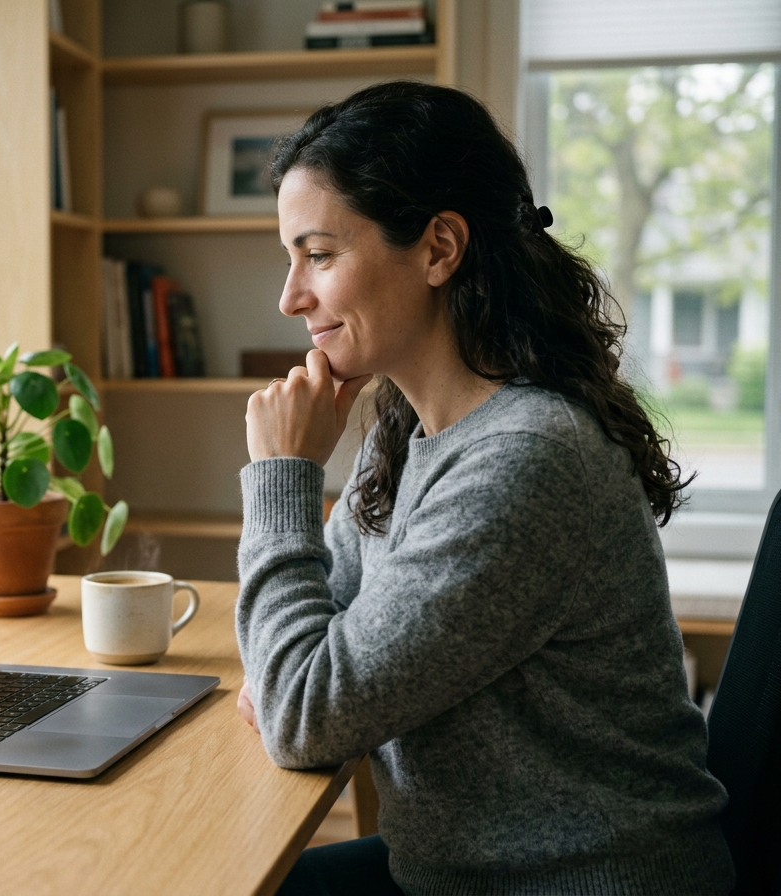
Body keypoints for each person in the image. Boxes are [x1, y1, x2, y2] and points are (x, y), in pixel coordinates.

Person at [235, 81, 734, 896]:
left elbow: (300, 710)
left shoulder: (527, 460)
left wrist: (282, 479)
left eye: (319, 255)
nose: (290, 297)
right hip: (460, 868)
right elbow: (303, 651)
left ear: (438, 248)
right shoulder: (410, 429)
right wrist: (298, 677)